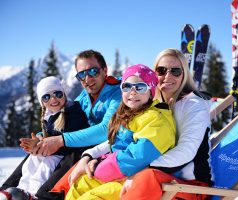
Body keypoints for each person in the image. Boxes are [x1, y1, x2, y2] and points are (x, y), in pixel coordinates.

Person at [0, 50, 122, 199]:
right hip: (84, 146)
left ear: (104, 70)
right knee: (41, 148)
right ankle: (6, 191)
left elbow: (106, 129)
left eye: (93, 71)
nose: (87, 78)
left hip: (106, 148)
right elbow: (65, 113)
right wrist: (41, 139)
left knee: (70, 151)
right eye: (81, 74)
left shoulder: (118, 93)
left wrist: (60, 140)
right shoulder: (85, 95)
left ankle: (41, 196)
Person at [65, 64, 176, 200]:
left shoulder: (156, 119)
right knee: (79, 186)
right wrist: (98, 159)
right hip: (114, 173)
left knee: (90, 197)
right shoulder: (129, 115)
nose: (133, 92)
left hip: (131, 178)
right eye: (127, 87)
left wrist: (104, 166)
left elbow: (139, 155)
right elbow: (116, 144)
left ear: (151, 92)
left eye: (140, 87)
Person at [120, 48, 213, 200]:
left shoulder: (194, 105)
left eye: (175, 71)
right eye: (161, 70)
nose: (167, 76)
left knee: (144, 178)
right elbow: (125, 134)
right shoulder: (152, 103)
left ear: (184, 74)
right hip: (160, 176)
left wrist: (141, 166)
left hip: (190, 185)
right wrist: (91, 155)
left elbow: (186, 151)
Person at [0, 76, 90, 199]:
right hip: (51, 150)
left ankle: (31, 194)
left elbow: (73, 134)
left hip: (64, 153)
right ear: (42, 102)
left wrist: (42, 145)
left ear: (64, 93)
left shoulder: (73, 112)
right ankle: (20, 189)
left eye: (57, 94)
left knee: (44, 170)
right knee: (30, 164)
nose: (53, 99)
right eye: (46, 97)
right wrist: (38, 140)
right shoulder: (50, 115)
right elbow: (50, 132)